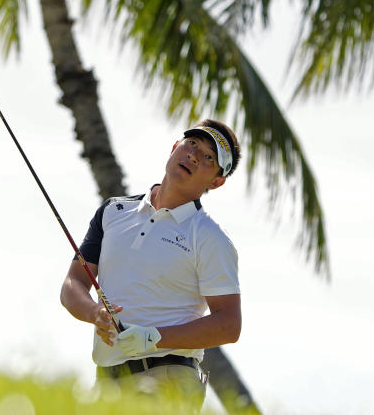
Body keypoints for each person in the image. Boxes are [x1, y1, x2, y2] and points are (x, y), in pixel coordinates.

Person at [60, 119, 242, 409]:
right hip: (107, 381)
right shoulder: (113, 211)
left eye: (209, 158)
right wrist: (94, 313)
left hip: (170, 379)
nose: (194, 156)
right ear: (175, 147)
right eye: (192, 144)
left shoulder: (209, 237)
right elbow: (73, 284)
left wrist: (154, 337)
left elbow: (229, 325)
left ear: (216, 182)